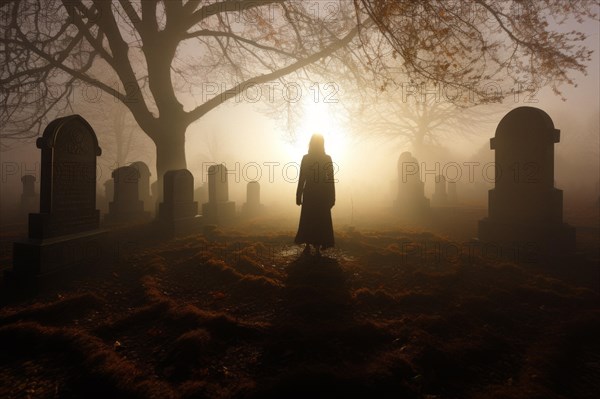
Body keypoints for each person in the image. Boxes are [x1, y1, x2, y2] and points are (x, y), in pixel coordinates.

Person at [294, 133, 335, 255]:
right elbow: (331, 180)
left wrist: (298, 194)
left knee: (309, 217)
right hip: (322, 193)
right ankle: (316, 246)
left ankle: (308, 244)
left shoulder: (306, 158)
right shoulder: (326, 158)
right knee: (319, 219)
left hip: (311, 192)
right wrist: (332, 197)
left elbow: (302, 178)